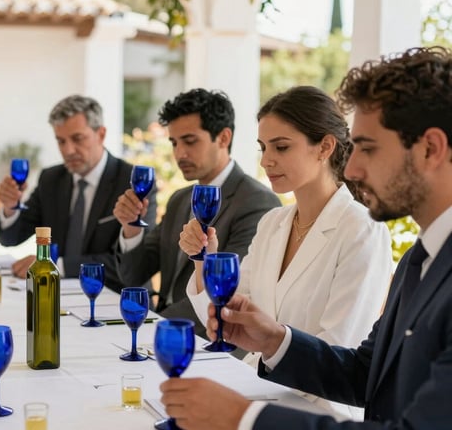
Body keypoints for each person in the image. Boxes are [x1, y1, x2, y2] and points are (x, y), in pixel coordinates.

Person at [160, 46, 452, 430]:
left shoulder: (369, 232)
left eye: (368, 148)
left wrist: (243, 418)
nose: (354, 166)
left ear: (430, 148)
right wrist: (275, 340)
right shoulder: (421, 259)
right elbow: (366, 373)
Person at [177, 85, 393, 419]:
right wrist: (204, 261)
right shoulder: (273, 223)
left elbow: (338, 351)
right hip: (253, 389)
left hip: (315, 411)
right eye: (263, 147)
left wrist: (247, 410)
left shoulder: (361, 229)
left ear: (324, 147)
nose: (266, 160)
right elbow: (228, 321)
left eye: (281, 147)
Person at [113, 88, 279, 323]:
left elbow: (229, 293)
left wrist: (154, 323)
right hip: (162, 329)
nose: (180, 153)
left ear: (223, 138)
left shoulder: (257, 202)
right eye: (174, 143)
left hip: (211, 344)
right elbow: (134, 276)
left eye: (190, 141)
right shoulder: (180, 199)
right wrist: (131, 228)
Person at [0, 94, 157, 292]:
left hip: (117, 300)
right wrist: (10, 207)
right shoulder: (51, 179)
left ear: (101, 134)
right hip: (59, 297)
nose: (68, 150)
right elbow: (11, 238)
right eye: (61, 141)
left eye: (77, 139)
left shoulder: (133, 183)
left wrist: (55, 265)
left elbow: (130, 264)